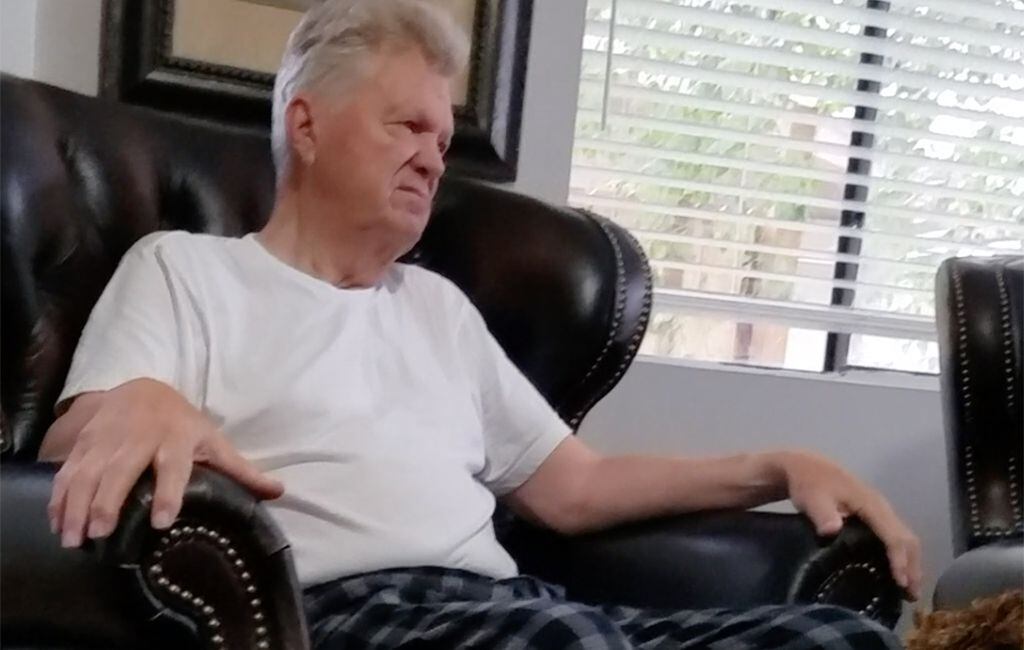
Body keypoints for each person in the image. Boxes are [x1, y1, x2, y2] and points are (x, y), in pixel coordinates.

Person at [39, 1, 919, 647]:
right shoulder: (188, 271)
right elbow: (72, 446)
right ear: (305, 126)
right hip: (334, 616)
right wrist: (135, 404)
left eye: (443, 136)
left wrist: (775, 465)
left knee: (841, 642)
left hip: (512, 611)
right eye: (407, 126)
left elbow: (577, 489)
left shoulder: (438, 310)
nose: (433, 154)